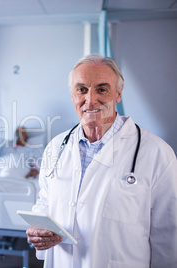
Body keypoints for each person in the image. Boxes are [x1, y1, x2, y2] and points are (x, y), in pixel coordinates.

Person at [26, 54, 177, 267]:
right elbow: (45, 201)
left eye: (102, 89)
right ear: (72, 95)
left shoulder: (156, 153)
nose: (90, 99)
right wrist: (38, 228)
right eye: (81, 90)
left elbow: (168, 237)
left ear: (118, 94)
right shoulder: (56, 147)